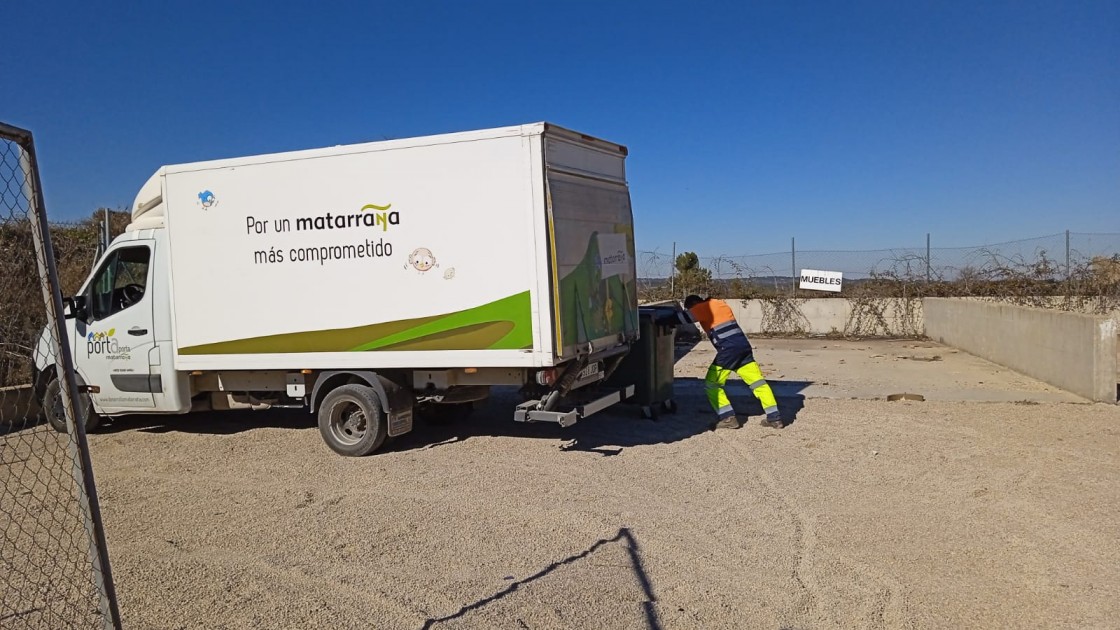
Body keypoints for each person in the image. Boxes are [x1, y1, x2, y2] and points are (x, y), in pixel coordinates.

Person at [677, 295, 783, 430]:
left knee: (712, 384)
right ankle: (775, 418)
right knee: (758, 383)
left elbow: (680, 318)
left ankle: (728, 418)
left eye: (690, 309)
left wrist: (658, 319)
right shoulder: (720, 304)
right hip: (743, 348)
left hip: (728, 350)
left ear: (694, 304)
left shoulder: (702, 307)